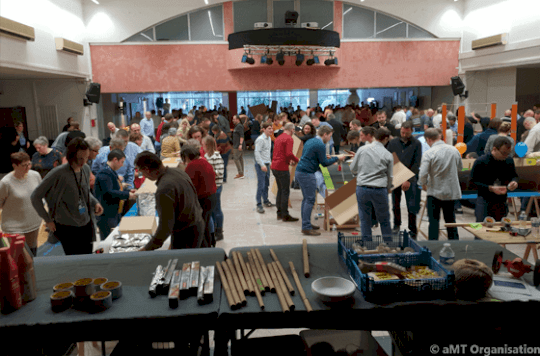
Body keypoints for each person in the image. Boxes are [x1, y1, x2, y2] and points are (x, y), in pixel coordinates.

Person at [31, 138, 104, 255]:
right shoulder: (58, 173)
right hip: (67, 226)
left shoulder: (85, 169)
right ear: (71, 156)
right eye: (80, 158)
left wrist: (95, 202)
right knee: (75, 261)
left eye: (86, 157)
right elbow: (35, 197)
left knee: (88, 257)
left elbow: (84, 191)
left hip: (86, 223)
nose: (84, 161)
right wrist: (48, 220)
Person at [136, 152, 205, 250]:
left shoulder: (164, 188)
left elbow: (164, 228)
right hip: (196, 224)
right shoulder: (178, 171)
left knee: (182, 263)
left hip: (186, 233)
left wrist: (146, 249)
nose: (143, 176)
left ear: (146, 170)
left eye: (141, 172)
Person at [295, 126, 347, 236]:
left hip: (300, 171)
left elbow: (313, 156)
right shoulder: (320, 144)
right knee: (310, 200)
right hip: (307, 173)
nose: (330, 139)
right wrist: (338, 157)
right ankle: (306, 227)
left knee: (306, 200)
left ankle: (306, 223)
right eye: (330, 136)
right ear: (325, 134)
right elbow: (324, 163)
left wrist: (323, 156)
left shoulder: (311, 140)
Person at [349, 127, 394, 240]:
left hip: (362, 188)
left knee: (364, 218)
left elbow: (353, 168)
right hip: (380, 189)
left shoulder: (362, 150)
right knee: (384, 219)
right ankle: (388, 244)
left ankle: (367, 244)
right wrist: (388, 188)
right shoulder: (388, 154)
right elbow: (390, 176)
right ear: (386, 139)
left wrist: (359, 175)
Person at [419, 129, 462, 241]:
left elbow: (423, 173)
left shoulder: (429, 153)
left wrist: (423, 184)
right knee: (451, 221)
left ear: (428, 139)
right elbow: (460, 167)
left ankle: (433, 247)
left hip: (434, 191)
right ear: (440, 137)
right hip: (451, 191)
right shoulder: (454, 150)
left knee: (433, 222)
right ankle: (455, 245)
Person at [0, 152, 42, 256]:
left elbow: (39, 194)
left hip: (33, 222)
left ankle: (33, 272)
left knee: (33, 254)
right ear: (14, 166)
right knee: (21, 257)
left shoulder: (35, 175)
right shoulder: (6, 182)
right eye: (24, 165)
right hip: (13, 227)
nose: (28, 167)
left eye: (29, 164)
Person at [386, 121, 422, 239]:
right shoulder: (393, 143)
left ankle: (412, 229)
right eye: (402, 132)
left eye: (407, 133)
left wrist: (408, 179)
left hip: (410, 179)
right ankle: (396, 225)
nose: (404, 135)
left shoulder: (416, 143)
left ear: (411, 131)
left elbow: (416, 164)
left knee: (411, 205)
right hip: (395, 177)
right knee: (395, 204)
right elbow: (389, 160)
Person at [471, 137, 518, 222]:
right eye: (504, 153)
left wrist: (514, 182)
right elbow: (472, 183)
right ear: (494, 149)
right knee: (482, 230)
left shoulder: (509, 160)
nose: (506, 156)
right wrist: (490, 188)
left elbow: (514, 175)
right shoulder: (481, 161)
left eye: (508, 153)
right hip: (485, 201)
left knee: (500, 230)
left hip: (502, 202)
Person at [94, 149, 137, 241]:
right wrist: (128, 194)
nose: (122, 165)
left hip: (114, 212)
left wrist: (124, 187)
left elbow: (113, 186)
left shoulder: (110, 171)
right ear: (115, 160)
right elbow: (109, 192)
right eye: (121, 162)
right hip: (107, 214)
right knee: (109, 240)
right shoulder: (104, 173)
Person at [181, 145, 217, 247]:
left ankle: (205, 247)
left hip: (203, 199)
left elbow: (190, 185)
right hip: (211, 197)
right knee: (205, 223)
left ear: (187, 157)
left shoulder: (192, 166)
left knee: (201, 226)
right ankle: (210, 244)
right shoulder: (204, 162)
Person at [272, 123, 300, 221]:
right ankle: (285, 214)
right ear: (292, 130)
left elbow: (280, 153)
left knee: (280, 190)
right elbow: (288, 153)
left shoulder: (278, 138)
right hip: (282, 167)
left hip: (275, 166)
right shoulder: (289, 138)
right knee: (285, 191)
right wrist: (297, 160)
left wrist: (289, 161)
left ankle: (279, 213)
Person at [203, 136, 225, 242]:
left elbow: (220, 171)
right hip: (209, 187)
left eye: (203, 145)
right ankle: (213, 229)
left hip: (216, 187)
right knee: (211, 210)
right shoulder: (206, 156)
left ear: (208, 145)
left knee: (216, 210)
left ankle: (219, 231)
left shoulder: (217, 156)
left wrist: (207, 172)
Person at [254, 122, 275, 213]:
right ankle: (259, 204)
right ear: (264, 129)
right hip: (261, 165)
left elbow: (267, 153)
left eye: (272, 128)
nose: (271, 130)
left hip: (267, 164)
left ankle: (265, 200)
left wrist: (269, 163)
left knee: (266, 184)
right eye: (269, 128)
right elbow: (257, 153)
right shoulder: (260, 139)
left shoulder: (269, 138)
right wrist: (262, 165)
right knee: (261, 185)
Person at [232, 115, 245, 179]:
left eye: (234, 119)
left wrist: (240, 144)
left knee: (236, 158)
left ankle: (241, 173)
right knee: (240, 159)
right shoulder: (237, 126)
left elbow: (241, 136)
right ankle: (241, 173)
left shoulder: (239, 126)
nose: (233, 120)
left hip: (238, 145)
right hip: (237, 144)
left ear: (238, 119)